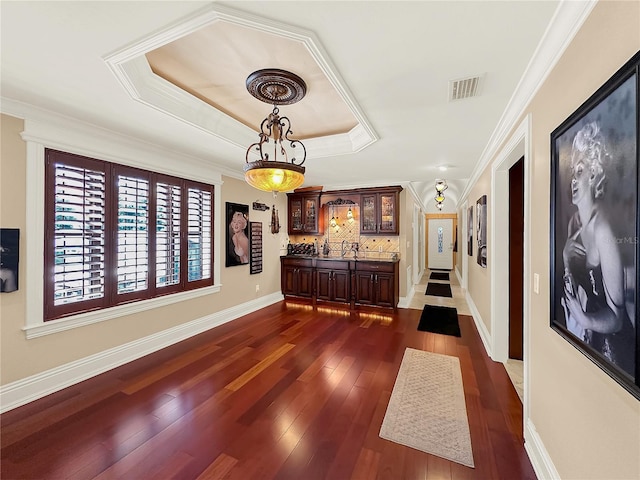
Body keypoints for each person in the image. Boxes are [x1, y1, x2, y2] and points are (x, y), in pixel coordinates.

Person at [560, 121, 634, 376]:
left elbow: (617, 317)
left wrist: (584, 319)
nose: (573, 179)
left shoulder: (604, 230)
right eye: (572, 171)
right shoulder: (574, 224)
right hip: (585, 334)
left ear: (594, 173)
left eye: (579, 170)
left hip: (613, 350)